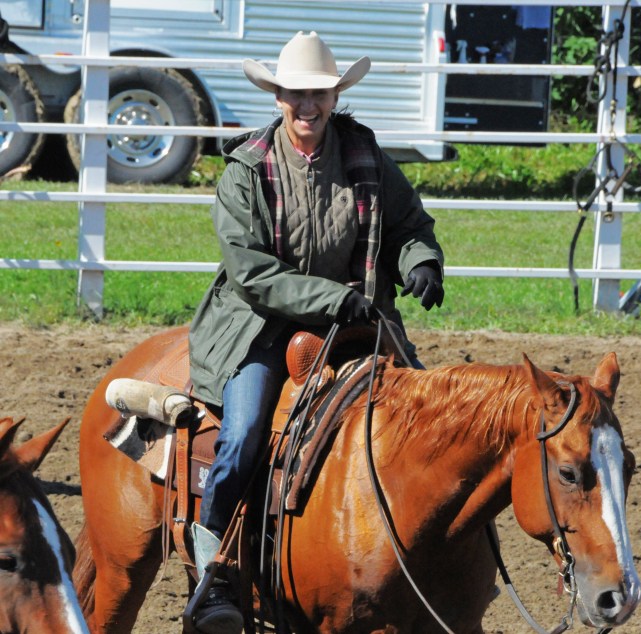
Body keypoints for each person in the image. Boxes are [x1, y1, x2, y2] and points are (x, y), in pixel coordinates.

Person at [186, 31, 445, 634]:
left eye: (319, 95)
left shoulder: (364, 154)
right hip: (263, 326)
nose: (308, 106)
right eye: (297, 95)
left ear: (335, 97)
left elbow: (409, 222)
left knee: (428, 428)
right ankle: (214, 573)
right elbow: (253, 273)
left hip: (358, 321)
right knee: (245, 434)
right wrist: (336, 298)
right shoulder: (247, 169)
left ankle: (423, 556)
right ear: (278, 96)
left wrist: (420, 261)